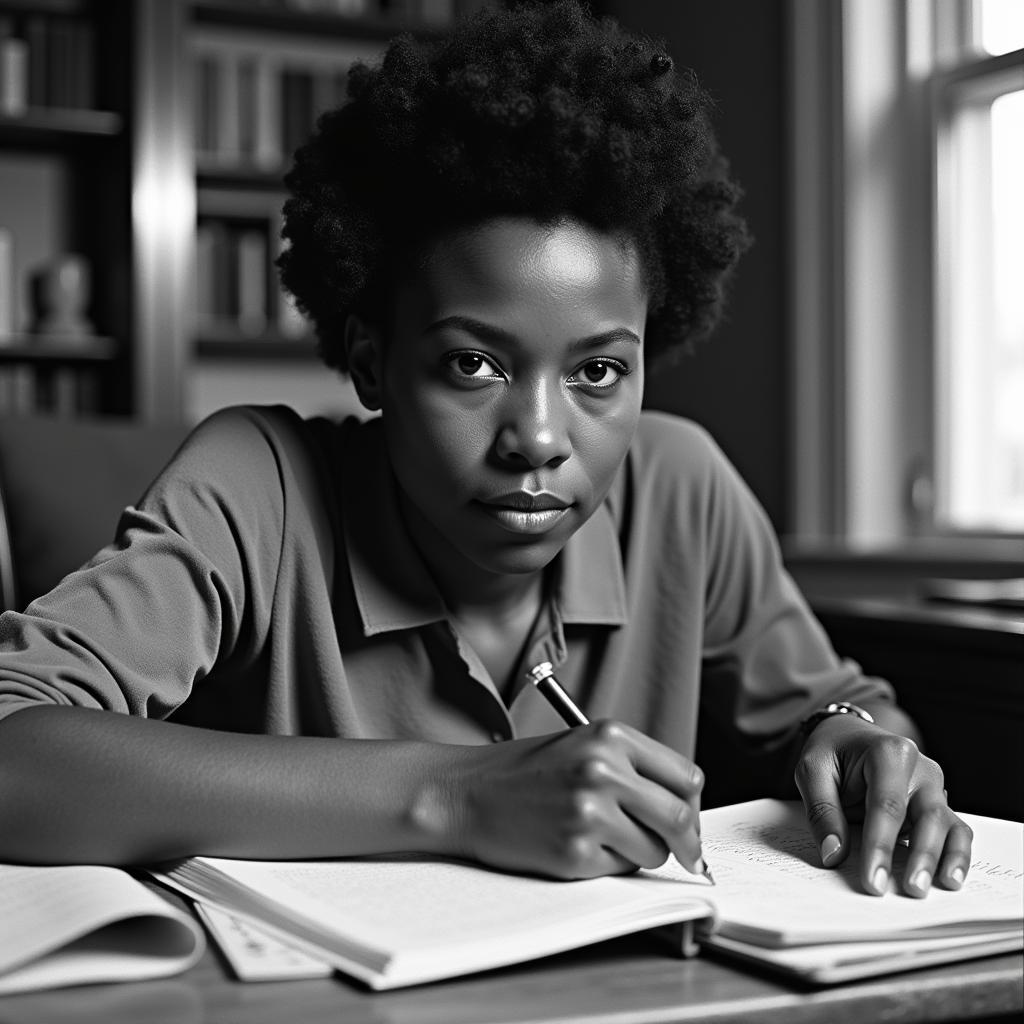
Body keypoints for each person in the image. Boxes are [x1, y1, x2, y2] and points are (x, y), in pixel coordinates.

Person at [0, 0, 970, 897]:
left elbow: (841, 709)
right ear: (375, 364)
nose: (539, 440)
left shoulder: (681, 488)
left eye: (597, 372)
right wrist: (457, 794)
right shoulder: (256, 480)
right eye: (472, 363)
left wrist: (860, 743)